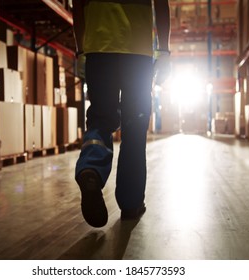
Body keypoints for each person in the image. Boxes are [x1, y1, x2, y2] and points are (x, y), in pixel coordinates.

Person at [73, 0, 171, 227]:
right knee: (134, 127)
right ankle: (131, 202)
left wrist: (80, 50)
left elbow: (77, 4)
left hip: (98, 48)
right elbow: (161, 3)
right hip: (137, 51)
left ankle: (91, 169)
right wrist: (164, 49)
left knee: (100, 117)